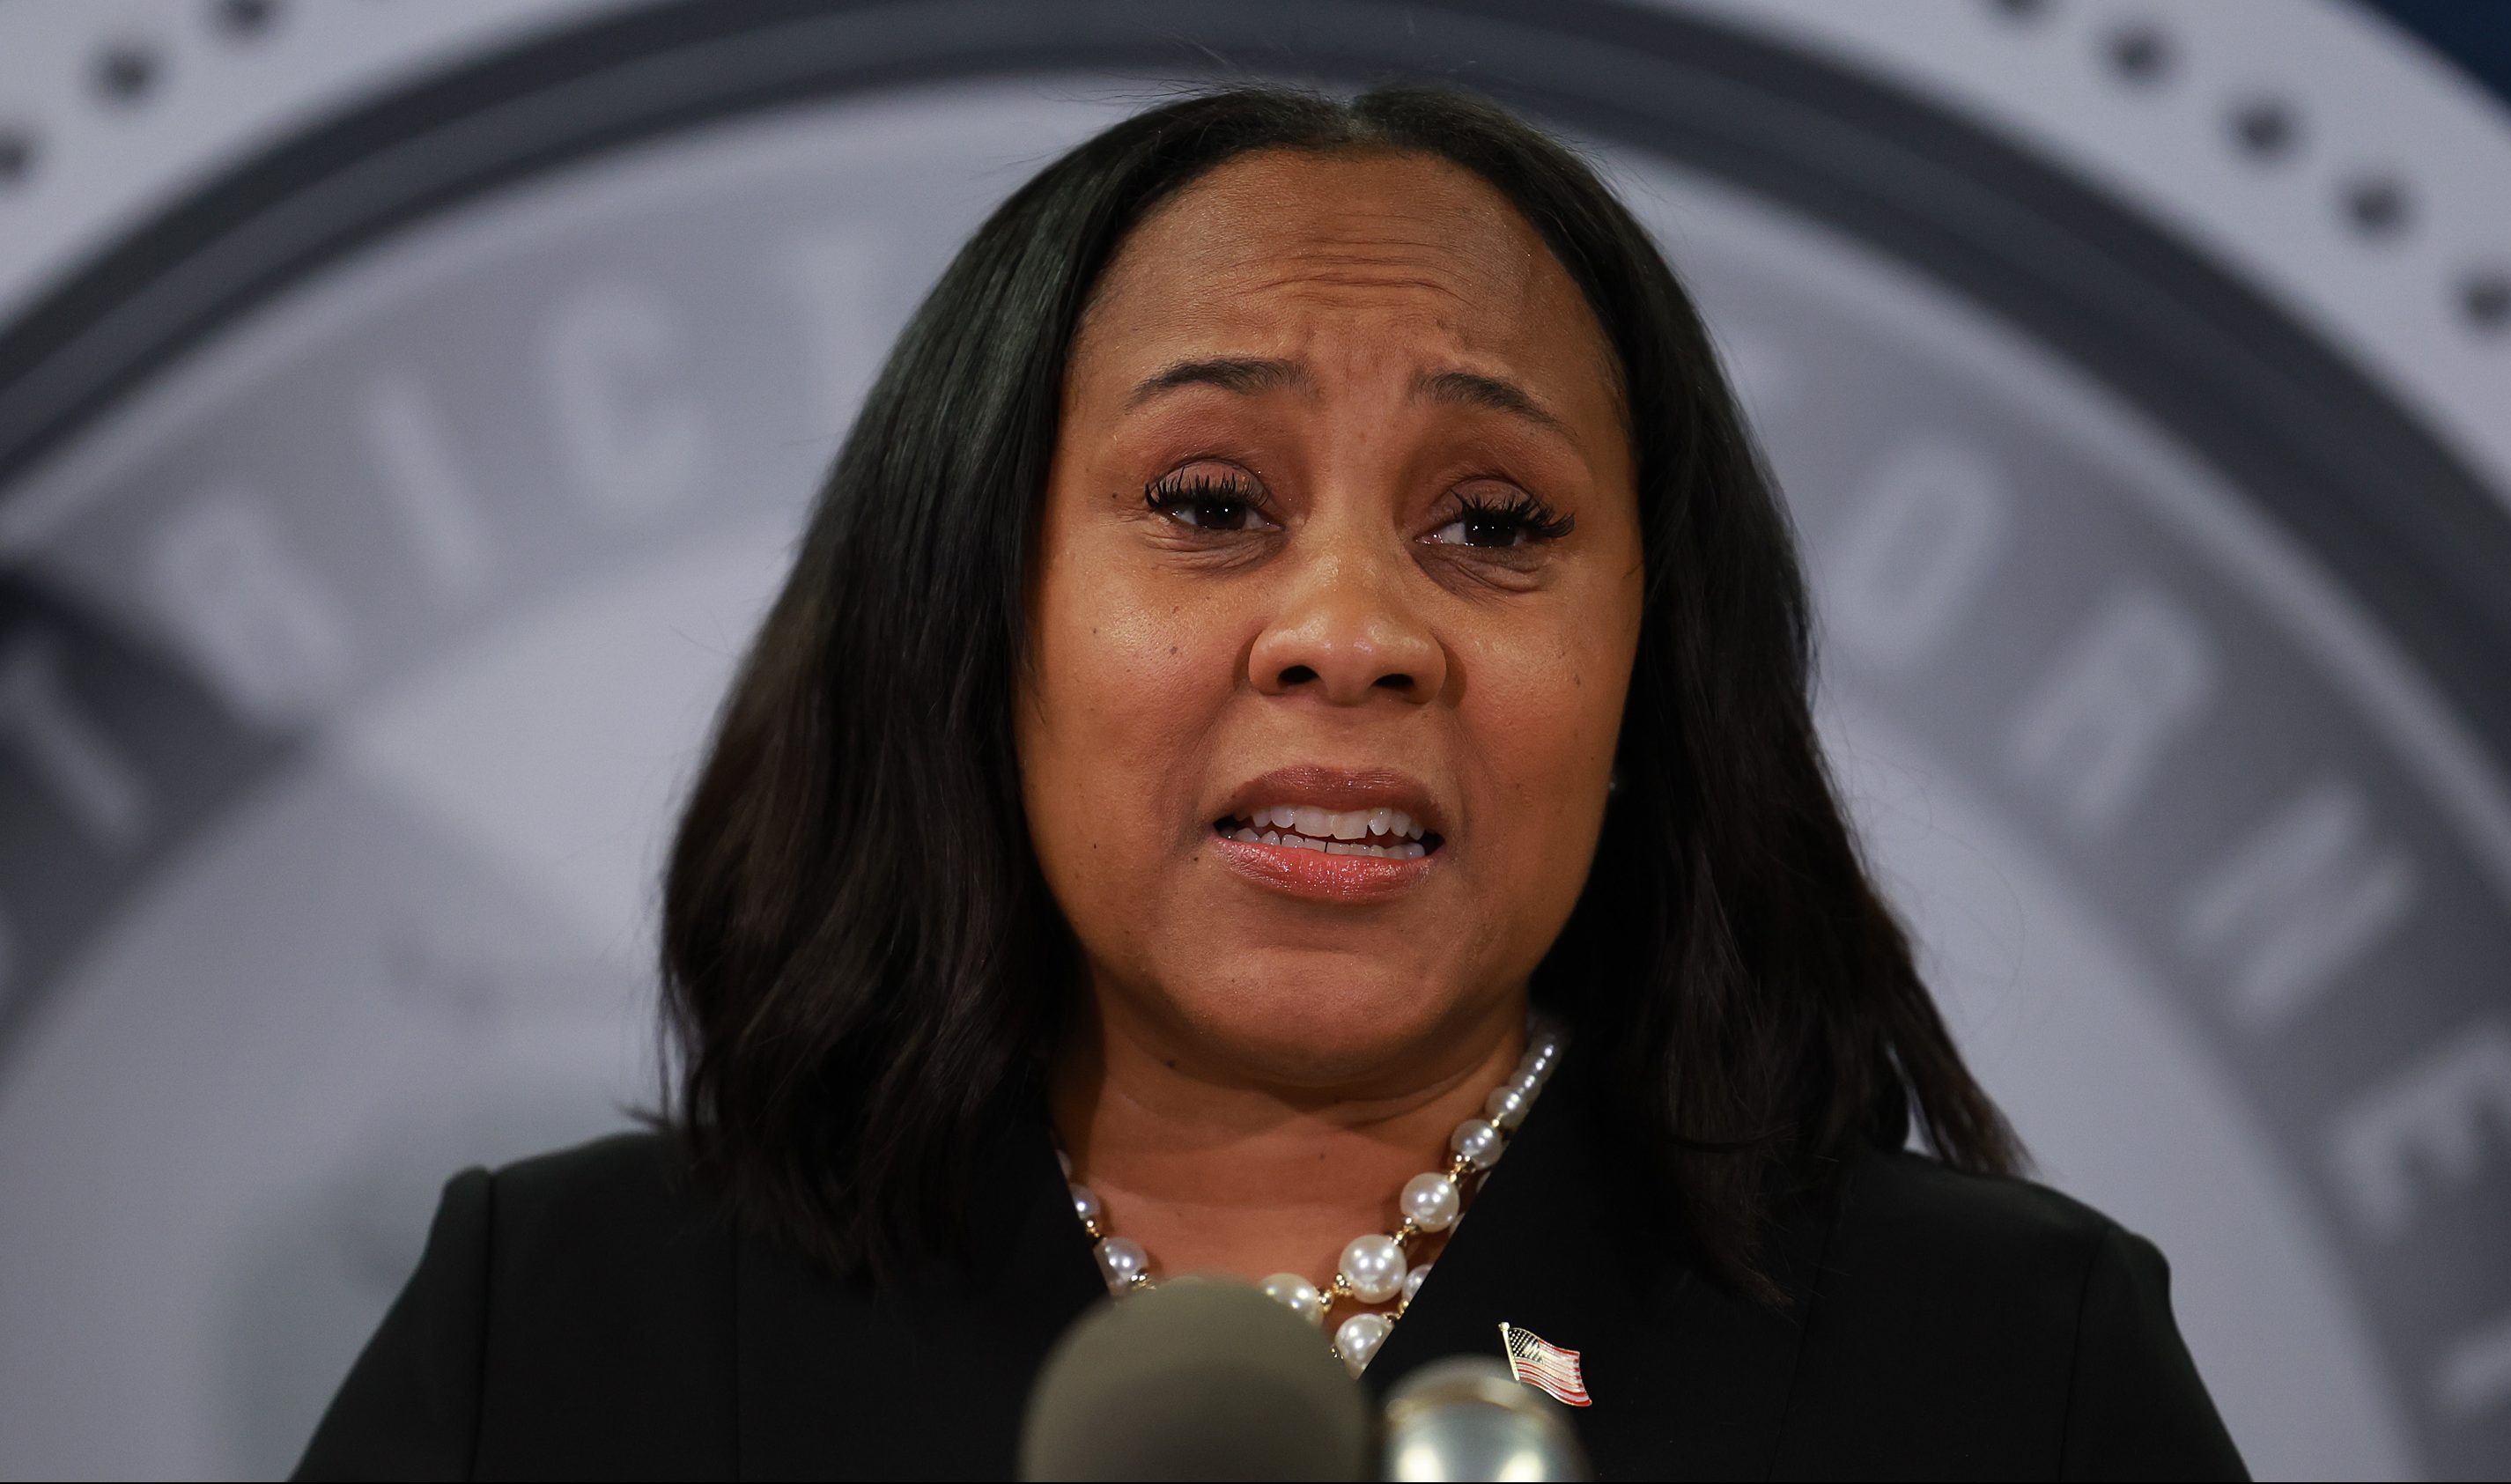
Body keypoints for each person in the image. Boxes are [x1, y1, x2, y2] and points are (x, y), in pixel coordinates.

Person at [296, 85, 2244, 1480]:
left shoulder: (2008, 1369)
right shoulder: (558, 1329)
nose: (1352, 630)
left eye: (1495, 523)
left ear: (1653, 666)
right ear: (973, 611)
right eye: (1212, 501)